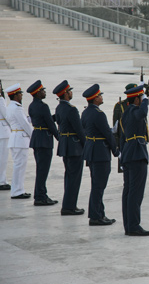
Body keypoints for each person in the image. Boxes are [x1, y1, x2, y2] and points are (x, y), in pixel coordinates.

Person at [81, 84, 119, 225]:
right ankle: (95, 216)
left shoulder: (85, 112)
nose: (101, 97)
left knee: (96, 184)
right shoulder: (99, 114)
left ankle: (99, 213)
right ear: (95, 98)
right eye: (100, 95)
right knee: (99, 186)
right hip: (100, 152)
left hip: (91, 150)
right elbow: (107, 134)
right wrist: (116, 151)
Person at [120, 85, 149, 236]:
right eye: (141, 98)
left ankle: (129, 224)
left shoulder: (126, 113)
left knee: (128, 191)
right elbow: (142, 113)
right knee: (135, 192)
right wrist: (146, 100)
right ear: (137, 99)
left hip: (128, 153)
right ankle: (133, 225)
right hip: (136, 153)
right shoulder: (134, 111)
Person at [53, 80, 86, 216]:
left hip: (65, 144)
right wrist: (87, 145)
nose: (71, 92)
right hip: (74, 146)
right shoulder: (72, 110)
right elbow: (79, 130)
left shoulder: (59, 108)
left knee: (69, 175)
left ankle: (69, 205)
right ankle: (69, 207)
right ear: (66, 94)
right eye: (70, 91)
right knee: (74, 177)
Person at [27, 80, 59, 206]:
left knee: (40, 169)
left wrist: (56, 116)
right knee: (43, 170)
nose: (44, 92)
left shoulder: (32, 105)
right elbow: (50, 124)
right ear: (38, 93)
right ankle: (40, 197)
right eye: (43, 90)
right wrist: (59, 138)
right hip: (44, 140)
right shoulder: (43, 106)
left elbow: (44, 119)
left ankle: (41, 194)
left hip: (37, 138)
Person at [5, 84, 33, 199]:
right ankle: (17, 191)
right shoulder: (17, 108)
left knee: (19, 166)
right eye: (20, 93)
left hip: (15, 138)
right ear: (15, 95)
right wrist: (34, 137)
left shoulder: (10, 107)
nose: (22, 95)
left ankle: (18, 189)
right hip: (20, 139)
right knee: (20, 166)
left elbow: (24, 120)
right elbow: (25, 125)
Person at [113, 83, 137, 147]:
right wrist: (117, 142)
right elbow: (116, 126)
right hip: (124, 140)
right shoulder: (120, 105)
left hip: (137, 141)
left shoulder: (139, 105)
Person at [0, 82, 11, 191]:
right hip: (3, 131)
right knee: (2, 158)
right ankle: (2, 180)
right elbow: (6, 116)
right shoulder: (0, 100)